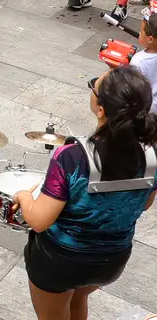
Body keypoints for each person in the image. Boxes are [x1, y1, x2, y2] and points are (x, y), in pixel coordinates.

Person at [15, 66, 157, 320]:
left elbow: (38, 221)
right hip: (111, 261)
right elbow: (145, 204)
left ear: (100, 109)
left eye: (94, 86)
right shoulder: (153, 155)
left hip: (59, 262)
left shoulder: (71, 157)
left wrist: (25, 197)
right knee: (79, 297)